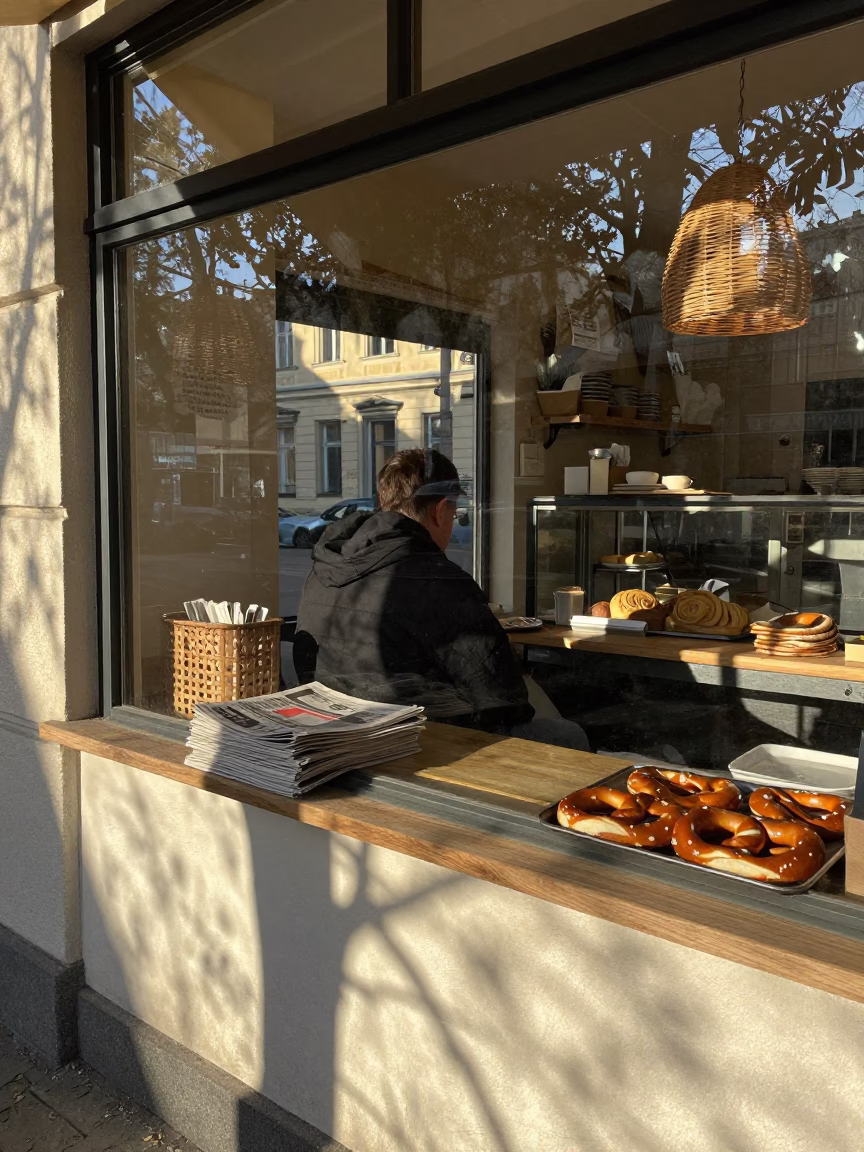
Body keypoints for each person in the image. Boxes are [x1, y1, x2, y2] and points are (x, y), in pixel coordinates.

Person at [294, 448, 590, 749]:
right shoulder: (436, 578)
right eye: (454, 513)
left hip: (340, 737)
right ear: (439, 510)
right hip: (421, 744)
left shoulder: (325, 567)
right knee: (568, 734)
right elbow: (501, 697)